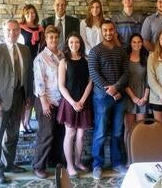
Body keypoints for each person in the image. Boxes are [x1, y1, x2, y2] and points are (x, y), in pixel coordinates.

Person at [0, 19, 33, 183]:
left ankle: (9, 164)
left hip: (19, 98)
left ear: (19, 32)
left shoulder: (25, 50)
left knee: (13, 134)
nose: (11, 33)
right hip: (0, 101)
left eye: (15, 30)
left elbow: (28, 75)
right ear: (3, 31)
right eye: (8, 30)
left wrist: (28, 96)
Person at [88, 20, 129, 180]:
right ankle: (97, 165)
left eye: (111, 30)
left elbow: (126, 73)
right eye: (105, 30)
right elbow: (94, 74)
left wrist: (116, 88)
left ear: (115, 31)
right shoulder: (95, 51)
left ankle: (117, 163)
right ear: (101, 31)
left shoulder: (121, 51)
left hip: (119, 97)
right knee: (100, 132)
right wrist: (110, 90)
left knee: (118, 132)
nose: (108, 33)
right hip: (101, 98)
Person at [57, 32, 93, 177]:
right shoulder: (63, 62)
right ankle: (70, 166)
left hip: (84, 102)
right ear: (67, 44)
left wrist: (82, 100)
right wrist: (73, 103)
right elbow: (61, 86)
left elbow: (90, 82)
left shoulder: (87, 60)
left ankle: (78, 162)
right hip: (69, 103)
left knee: (80, 136)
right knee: (70, 134)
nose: (74, 45)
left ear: (81, 44)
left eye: (77, 42)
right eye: (71, 42)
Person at [32, 25, 64, 179]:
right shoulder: (40, 58)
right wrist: (44, 102)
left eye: (56, 37)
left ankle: (54, 161)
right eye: (51, 37)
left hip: (60, 101)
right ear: (45, 38)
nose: (54, 40)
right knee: (46, 134)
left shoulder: (62, 55)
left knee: (59, 134)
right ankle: (38, 166)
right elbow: (39, 82)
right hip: (46, 100)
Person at [18, 4, 44, 134]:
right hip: (24, 64)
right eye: (28, 13)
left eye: (33, 13)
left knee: (32, 95)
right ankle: (21, 123)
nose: (30, 15)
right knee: (24, 94)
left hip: (36, 65)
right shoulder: (20, 28)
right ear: (24, 14)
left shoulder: (40, 29)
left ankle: (27, 122)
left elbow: (42, 47)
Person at [124, 33, 149, 149]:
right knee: (129, 128)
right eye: (134, 42)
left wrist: (144, 97)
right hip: (128, 95)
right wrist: (133, 97)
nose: (137, 44)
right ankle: (129, 157)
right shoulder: (125, 57)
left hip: (143, 95)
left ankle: (138, 156)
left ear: (142, 43)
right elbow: (123, 80)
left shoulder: (146, 58)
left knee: (140, 127)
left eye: (139, 42)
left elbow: (149, 80)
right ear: (130, 43)